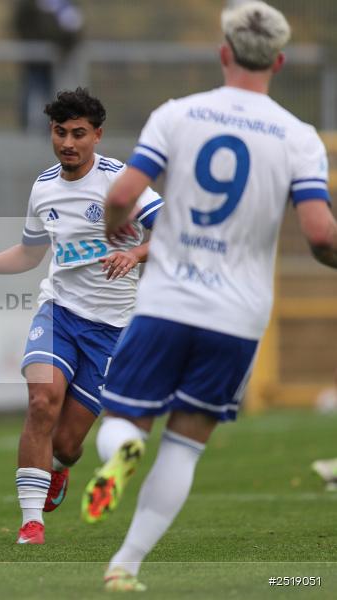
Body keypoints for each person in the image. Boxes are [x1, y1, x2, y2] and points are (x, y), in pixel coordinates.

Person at [80, 2, 337, 591]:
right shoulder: (299, 137)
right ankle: (126, 565)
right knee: (186, 445)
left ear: (223, 52)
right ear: (279, 60)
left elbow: (123, 194)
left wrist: (115, 225)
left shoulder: (178, 115)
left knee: (123, 420)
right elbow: (321, 234)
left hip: (168, 301)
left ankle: (121, 455)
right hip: (238, 316)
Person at [0, 88, 162, 545]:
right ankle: (31, 523)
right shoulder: (44, 187)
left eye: (79, 134)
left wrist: (137, 253)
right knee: (42, 402)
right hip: (59, 312)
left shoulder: (122, 182)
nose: (68, 142)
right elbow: (29, 253)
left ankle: (59, 469)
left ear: (97, 136)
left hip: (114, 329)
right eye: (60, 132)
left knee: (65, 444)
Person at [11, 0, 83, 133]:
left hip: (56, 59)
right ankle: (28, 130)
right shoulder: (30, 5)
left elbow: (73, 28)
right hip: (34, 57)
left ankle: (49, 129)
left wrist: (62, 50)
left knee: (53, 94)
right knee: (32, 92)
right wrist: (32, 45)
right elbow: (21, 22)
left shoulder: (64, 5)